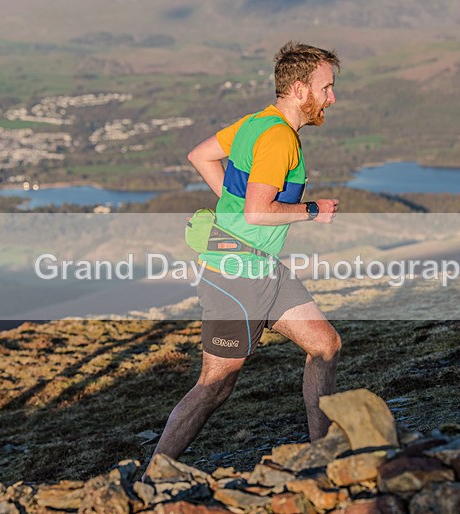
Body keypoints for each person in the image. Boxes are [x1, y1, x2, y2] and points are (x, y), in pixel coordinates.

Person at [145, 41, 342, 473]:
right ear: (298, 88)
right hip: (236, 274)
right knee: (215, 385)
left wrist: (235, 208)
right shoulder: (278, 139)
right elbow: (257, 210)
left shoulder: (256, 123)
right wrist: (312, 210)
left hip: (263, 268)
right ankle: (152, 473)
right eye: (325, 88)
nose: (331, 98)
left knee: (325, 345)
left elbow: (200, 156)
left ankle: (322, 456)